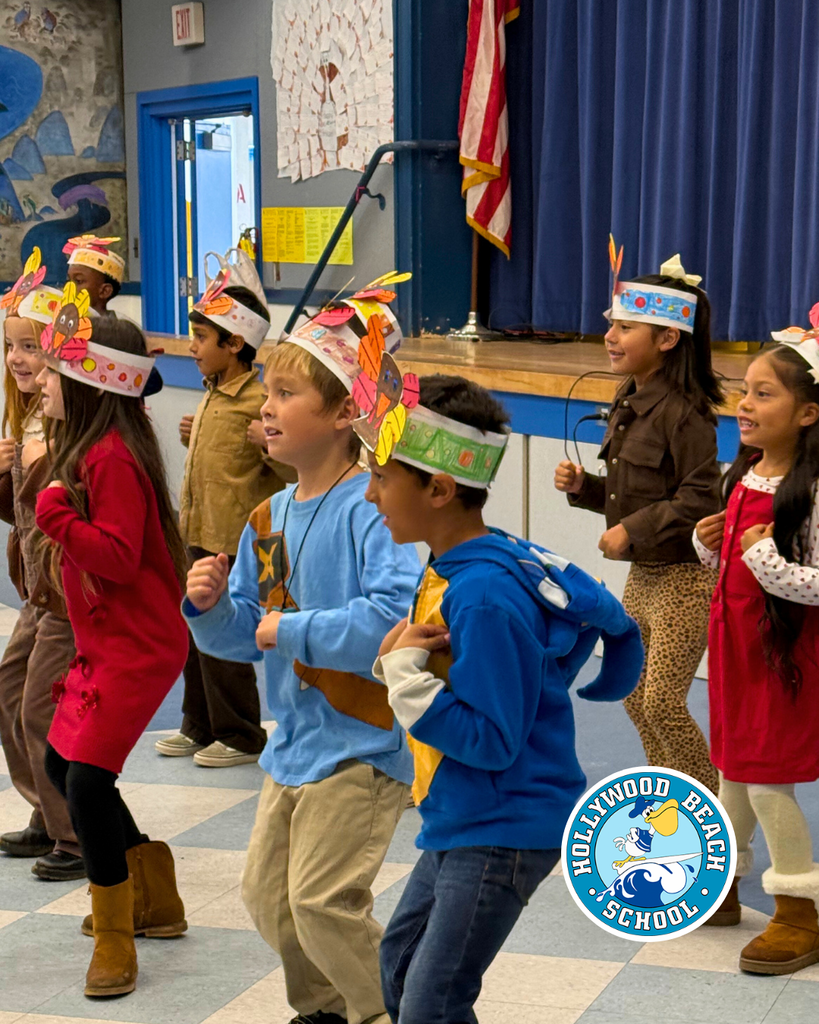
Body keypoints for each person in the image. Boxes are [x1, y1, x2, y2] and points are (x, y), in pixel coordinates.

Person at [359, 369, 643, 1024]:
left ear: (437, 489)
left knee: (432, 1003)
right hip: (463, 813)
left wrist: (404, 678)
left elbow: (490, 739)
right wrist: (401, 661)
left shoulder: (483, 594)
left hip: (502, 826)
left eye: (381, 478)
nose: (370, 493)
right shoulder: (459, 564)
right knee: (399, 968)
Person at [184, 278, 420, 1024]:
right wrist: (210, 609)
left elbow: (391, 620)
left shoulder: (374, 506)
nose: (266, 407)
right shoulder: (269, 516)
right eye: (268, 392)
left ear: (345, 413)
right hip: (293, 744)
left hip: (362, 743)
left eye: (286, 394)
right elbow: (245, 631)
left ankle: (390, 1011)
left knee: (322, 902)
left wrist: (285, 630)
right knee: (268, 900)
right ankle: (324, 1009)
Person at [34, 299, 189, 998]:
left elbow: (120, 559)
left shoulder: (112, 459)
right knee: (59, 763)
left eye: (54, 371)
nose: (41, 381)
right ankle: (155, 898)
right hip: (105, 642)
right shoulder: (90, 451)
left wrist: (55, 515)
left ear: (91, 384)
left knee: (87, 782)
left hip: (139, 645)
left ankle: (116, 936)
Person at [555, 247, 721, 792]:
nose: (610, 336)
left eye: (626, 327)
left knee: (663, 702)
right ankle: (672, 792)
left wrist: (631, 529)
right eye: (612, 324)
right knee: (634, 694)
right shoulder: (630, 397)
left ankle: (710, 804)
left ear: (668, 339)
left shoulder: (686, 412)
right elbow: (633, 491)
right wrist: (585, 489)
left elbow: (700, 498)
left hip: (685, 581)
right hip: (643, 576)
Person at [694, 329, 819, 975]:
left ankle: (798, 909)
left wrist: (763, 558)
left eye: (763, 394)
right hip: (734, 651)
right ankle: (723, 885)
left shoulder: (811, 489)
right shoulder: (745, 474)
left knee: (767, 779)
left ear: (807, 413)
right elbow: (733, 572)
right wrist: (709, 545)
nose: (743, 404)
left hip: (782, 658)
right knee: (733, 769)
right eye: (744, 391)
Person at [156, 249, 294, 768]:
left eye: (201, 338)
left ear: (234, 344)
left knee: (227, 640)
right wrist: (194, 435)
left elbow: (291, 473)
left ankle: (240, 734)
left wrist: (267, 442)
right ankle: (198, 724)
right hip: (199, 532)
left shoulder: (260, 401)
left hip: (239, 543)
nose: (192, 348)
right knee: (193, 634)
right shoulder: (214, 393)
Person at [0, 260, 83, 880]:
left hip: (67, 591)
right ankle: (46, 810)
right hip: (37, 589)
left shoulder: (67, 424)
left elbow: (70, 513)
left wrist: (38, 465)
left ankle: (74, 835)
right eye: (10, 347)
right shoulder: (26, 415)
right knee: (9, 692)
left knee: (40, 708)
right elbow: (20, 517)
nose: (17, 359)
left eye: (30, 346)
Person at [63, 234, 125, 316]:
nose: (69, 288)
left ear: (105, 291)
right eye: (68, 281)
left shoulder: (117, 324)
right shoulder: (62, 320)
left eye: (78, 281)